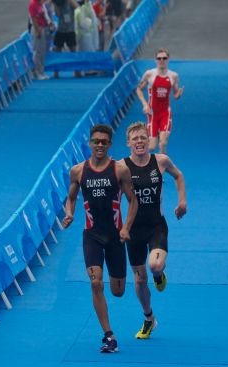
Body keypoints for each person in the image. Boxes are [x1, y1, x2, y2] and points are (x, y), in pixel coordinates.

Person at [62, 124, 138, 353]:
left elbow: (133, 200)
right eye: (96, 141)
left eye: (104, 142)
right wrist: (69, 213)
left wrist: (126, 227)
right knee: (96, 283)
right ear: (90, 143)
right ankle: (109, 336)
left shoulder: (120, 170)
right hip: (92, 236)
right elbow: (71, 198)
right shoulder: (78, 171)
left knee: (117, 291)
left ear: (110, 144)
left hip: (116, 237)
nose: (100, 145)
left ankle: (117, 292)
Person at [119, 122, 187, 339]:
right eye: (135, 138)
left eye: (143, 137)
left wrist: (182, 201)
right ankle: (149, 318)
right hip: (133, 230)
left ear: (148, 140)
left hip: (156, 225)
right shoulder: (121, 167)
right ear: (128, 143)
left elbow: (179, 176)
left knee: (155, 264)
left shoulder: (161, 161)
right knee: (139, 280)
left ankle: (159, 274)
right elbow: (112, 194)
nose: (139, 141)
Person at [136, 48, 184, 155]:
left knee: (162, 143)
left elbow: (175, 95)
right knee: (152, 147)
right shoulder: (149, 74)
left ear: (168, 59)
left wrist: (178, 95)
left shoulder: (173, 76)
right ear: (155, 60)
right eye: (159, 58)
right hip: (152, 113)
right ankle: (156, 134)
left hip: (165, 113)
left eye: (164, 58)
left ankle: (162, 164)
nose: (161, 60)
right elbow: (138, 89)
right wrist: (144, 104)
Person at [52, 0, 78, 78]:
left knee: (73, 51)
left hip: (70, 30)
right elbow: (58, 14)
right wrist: (56, 4)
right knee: (57, 51)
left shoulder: (70, 1)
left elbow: (78, 8)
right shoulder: (58, 2)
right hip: (61, 30)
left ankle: (77, 71)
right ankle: (56, 72)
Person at [29, 0, 51, 80]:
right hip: (37, 29)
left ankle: (41, 72)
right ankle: (37, 72)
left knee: (42, 51)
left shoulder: (40, 3)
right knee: (37, 51)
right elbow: (34, 18)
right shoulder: (33, 4)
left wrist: (49, 23)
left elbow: (44, 14)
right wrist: (37, 30)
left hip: (43, 28)